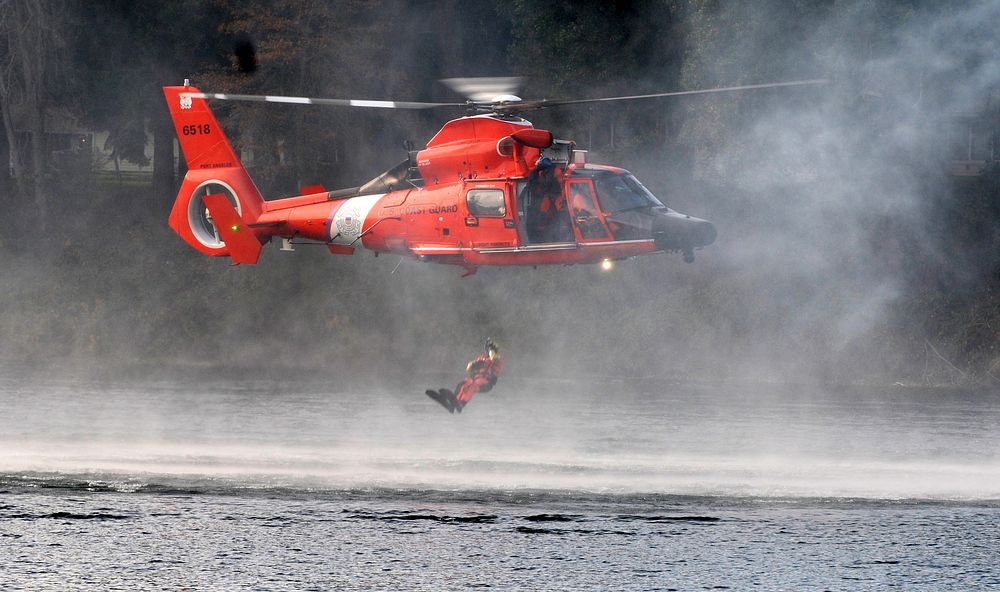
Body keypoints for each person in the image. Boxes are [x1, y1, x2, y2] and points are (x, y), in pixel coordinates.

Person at [426, 339, 504, 413]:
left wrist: (491, 350)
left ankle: (461, 404)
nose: (490, 351)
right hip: (476, 379)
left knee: (473, 386)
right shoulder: (482, 358)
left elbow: (493, 359)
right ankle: (453, 404)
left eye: (491, 349)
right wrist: (472, 365)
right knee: (462, 384)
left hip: (486, 383)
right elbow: (469, 368)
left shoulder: (499, 358)